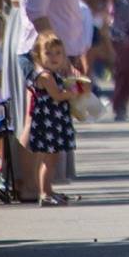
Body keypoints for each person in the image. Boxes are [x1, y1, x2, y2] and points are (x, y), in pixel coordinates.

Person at [23, 30, 79, 205]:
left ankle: (49, 190)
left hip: (54, 120)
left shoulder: (53, 74)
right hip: (48, 123)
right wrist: (72, 93)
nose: (54, 57)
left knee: (52, 158)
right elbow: (57, 96)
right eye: (48, 53)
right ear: (38, 56)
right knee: (49, 157)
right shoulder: (45, 76)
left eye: (58, 53)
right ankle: (44, 193)